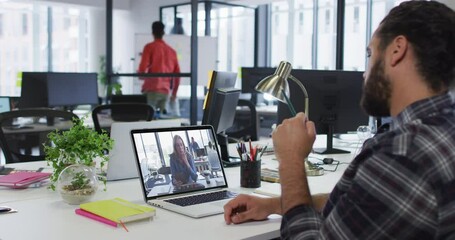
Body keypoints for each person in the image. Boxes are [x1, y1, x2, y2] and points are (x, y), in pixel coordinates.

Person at [223, 1, 455, 239]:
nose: (365, 73)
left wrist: (291, 160)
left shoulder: (403, 154)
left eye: (370, 53)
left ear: (397, 50)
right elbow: (357, 205)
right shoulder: (441, 130)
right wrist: (273, 205)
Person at [138, 21, 180, 115]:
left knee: (148, 119)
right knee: (162, 123)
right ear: (163, 33)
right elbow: (177, 75)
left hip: (151, 90)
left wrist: (141, 75)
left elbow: (142, 70)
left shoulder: (149, 47)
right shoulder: (172, 51)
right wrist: (174, 93)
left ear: (152, 32)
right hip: (165, 91)